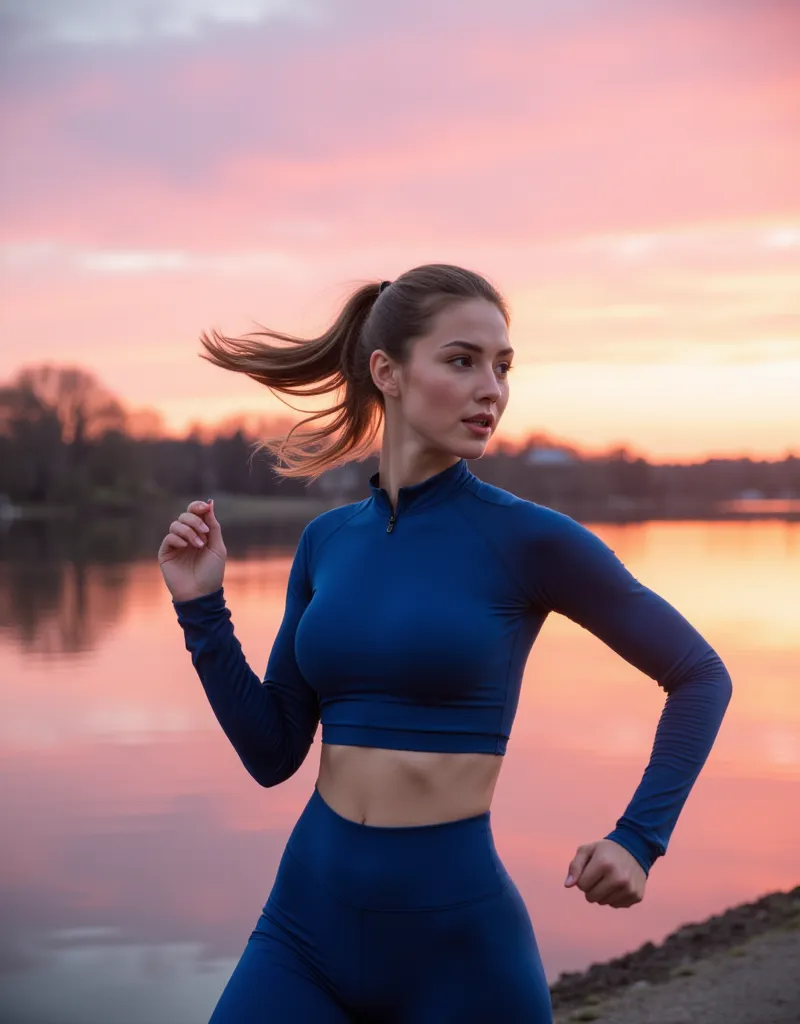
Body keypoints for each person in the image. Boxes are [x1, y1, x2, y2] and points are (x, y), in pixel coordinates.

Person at [157, 264, 733, 1023]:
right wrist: (201, 608)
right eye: (462, 361)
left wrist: (639, 837)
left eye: (503, 367)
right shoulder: (327, 541)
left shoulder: (529, 540)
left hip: (458, 952)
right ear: (387, 373)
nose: (491, 388)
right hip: (304, 931)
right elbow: (274, 753)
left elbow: (699, 674)